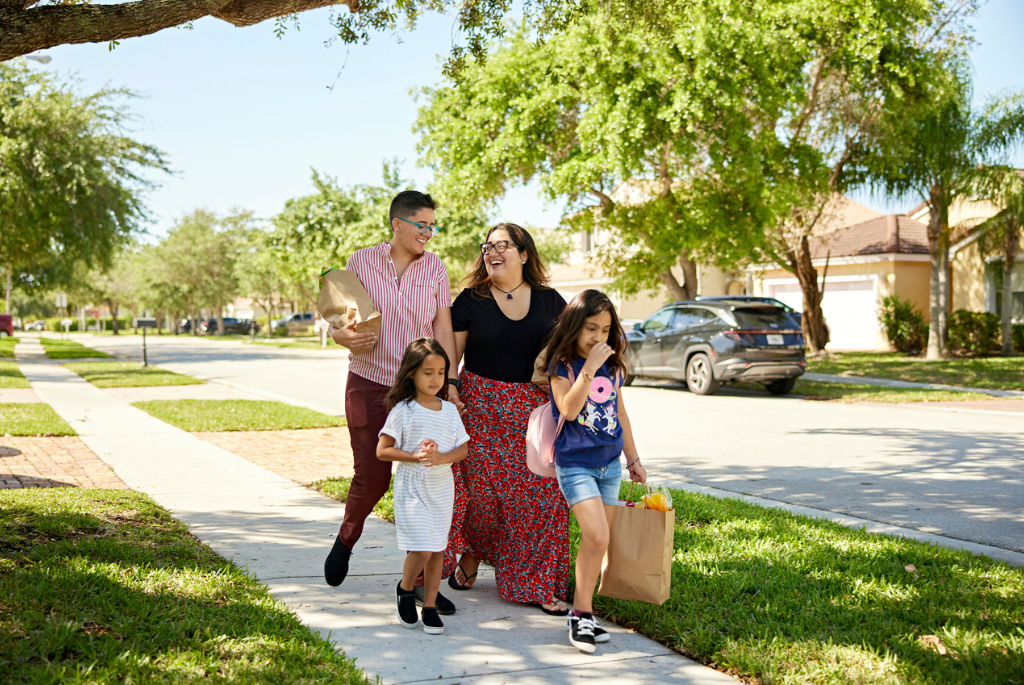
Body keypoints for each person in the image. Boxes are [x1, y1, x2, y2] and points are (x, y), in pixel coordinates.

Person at [324, 190, 462, 617]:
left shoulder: (435, 267)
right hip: (366, 381)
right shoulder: (361, 261)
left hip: (417, 392)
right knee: (372, 478)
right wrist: (339, 334)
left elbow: (442, 325)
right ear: (397, 224)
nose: (428, 232)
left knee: (427, 479)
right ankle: (346, 538)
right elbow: (339, 317)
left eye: (432, 226)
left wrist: (450, 380)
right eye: (422, 224)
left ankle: (421, 583)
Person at [446, 222, 570, 615]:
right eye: (487, 246)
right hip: (479, 408)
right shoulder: (470, 300)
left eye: (502, 244)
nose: (491, 251)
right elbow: (454, 354)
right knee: (482, 496)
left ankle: (535, 583)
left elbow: (573, 348)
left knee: (540, 497)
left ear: (523, 253)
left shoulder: (552, 302)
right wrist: (449, 387)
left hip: (532, 412)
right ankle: (472, 556)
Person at [545, 289, 647, 653]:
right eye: (591, 328)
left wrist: (633, 460)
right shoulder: (563, 365)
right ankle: (580, 614)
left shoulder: (614, 367)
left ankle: (583, 612)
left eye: (605, 330)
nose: (598, 338)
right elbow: (569, 410)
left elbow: (621, 414)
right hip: (575, 465)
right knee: (598, 537)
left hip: (609, 466)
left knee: (596, 541)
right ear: (574, 326)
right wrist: (587, 370)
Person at [377, 338, 469, 635]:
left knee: (438, 549)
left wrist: (442, 457)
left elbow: (463, 448)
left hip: (441, 487)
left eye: (441, 372)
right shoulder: (404, 410)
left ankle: (429, 606)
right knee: (422, 550)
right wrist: (415, 457)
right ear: (412, 373)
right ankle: (405, 589)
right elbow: (383, 450)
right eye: (428, 372)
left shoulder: (449, 410)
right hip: (412, 487)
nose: (435, 379)